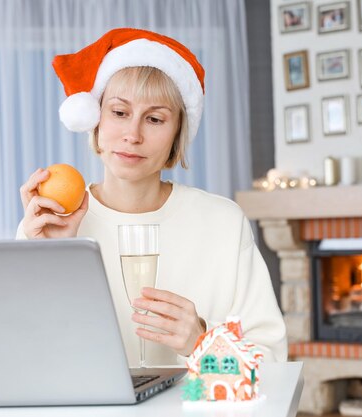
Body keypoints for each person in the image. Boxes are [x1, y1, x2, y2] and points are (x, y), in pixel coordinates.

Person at [17, 28, 287, 367]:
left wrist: (202, 341)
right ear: (95, 120)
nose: (133, 135)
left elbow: (272, 362)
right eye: (119, 112)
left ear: (176, 135)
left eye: (155, 119)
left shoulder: (224, 223)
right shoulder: (47, 223)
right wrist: (50, 255)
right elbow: (22, 355)